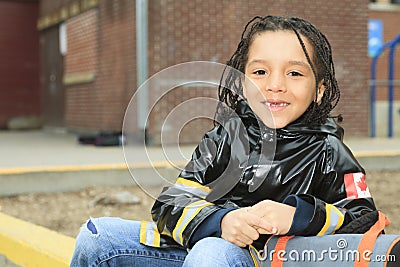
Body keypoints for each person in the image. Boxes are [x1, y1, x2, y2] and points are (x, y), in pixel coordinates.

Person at [70, 15, 377, 267]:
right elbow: (170, 204)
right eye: (260, 71)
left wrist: (298, 216)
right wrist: (221, 220)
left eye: (294, 73)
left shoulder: (327, 150)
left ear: (320, 90)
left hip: (269, 260)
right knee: (96, 237)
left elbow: (364, 218)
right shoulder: (224, 139)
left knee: (210, 254)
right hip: (209, 252)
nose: (275, 85)